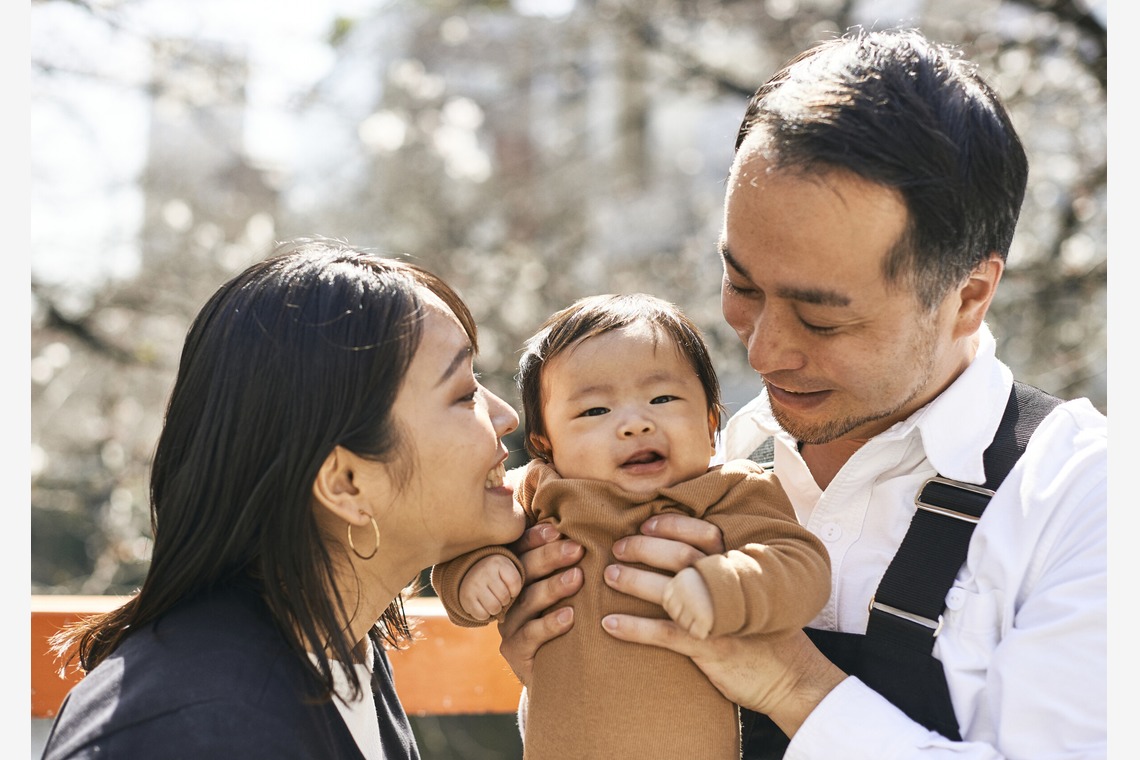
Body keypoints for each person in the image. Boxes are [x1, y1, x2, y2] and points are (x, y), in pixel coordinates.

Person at [495, 28, 1108, 760]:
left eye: (822, 317)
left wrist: (791, 684)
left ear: (969, 295)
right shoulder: (693, 459)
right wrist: (558, 670)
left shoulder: (1086, 499)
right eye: (741, 286)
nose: (762, 350)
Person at [40, 238, 527, 759]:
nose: (506, 418)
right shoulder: (200, 732)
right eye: (465, 394)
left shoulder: (335, 653)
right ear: (346, 484)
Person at [431, 293, 831, 759]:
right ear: (545, 444)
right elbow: (461, 534)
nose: (635, 424)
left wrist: (725, 585)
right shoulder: (539, 489)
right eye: (595, 411)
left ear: (709, 424)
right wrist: (476, 572)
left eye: (662, 398)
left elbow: (801, 567)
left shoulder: (729, 492)